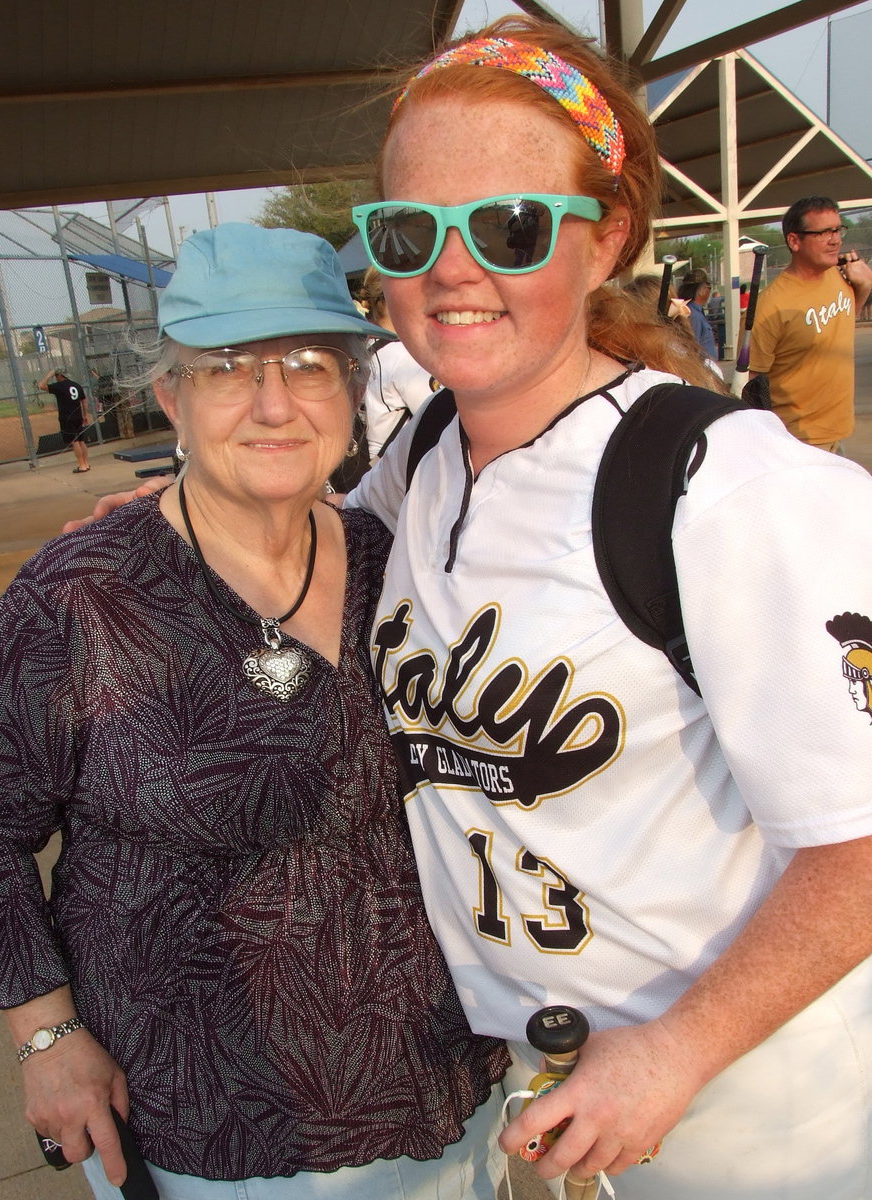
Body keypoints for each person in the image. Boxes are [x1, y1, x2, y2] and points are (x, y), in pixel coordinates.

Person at [344, 17, 872, 1200]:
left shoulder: (727, 488)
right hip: (535, 1087)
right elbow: (303, 542)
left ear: (610, 236)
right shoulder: (424, 453)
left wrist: (679, 1053)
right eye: (408, 229)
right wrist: (155, 536)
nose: (451, 268)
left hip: (751, 1106)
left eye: (511, 226)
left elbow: (860, 843)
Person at [0, 224, 508, 1200]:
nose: (273, 404)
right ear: (169, 397)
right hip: (201, 1115)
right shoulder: (78, 597)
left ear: (353, 391)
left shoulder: (405, 563)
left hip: (436, 1081)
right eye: (227, 368)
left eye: (307, 365)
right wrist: (44, 1035)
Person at [748, 196, 872, 451]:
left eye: (838, 230)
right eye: (824, 232)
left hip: (838, 430)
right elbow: (751, 382)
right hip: (797, 440)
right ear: (794, 241)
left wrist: (865, 286)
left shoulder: (839, 277)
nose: (836, 239)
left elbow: (843, 323)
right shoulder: (770, 306)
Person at [359, 267, 434, 462]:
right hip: (398, 474)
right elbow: (443, 417)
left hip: (370, 467)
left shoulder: (364, 347)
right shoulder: (403, 356)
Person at [37, 367, 91, 471]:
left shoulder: (59, 386)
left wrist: (49, 375)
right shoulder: (76, 385)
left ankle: (82, 465)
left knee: (74, 441)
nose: (56, 378)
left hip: (67, 417)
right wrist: (84, 415)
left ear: (60, 376)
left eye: (57, 376)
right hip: (78, 416)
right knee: (81, 440)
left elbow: (41, 386)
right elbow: (84, 400)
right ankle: (86, 463)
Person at [675, 268, 717, 361]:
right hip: (703, 370)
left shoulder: (691, 311)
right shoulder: (692, 315)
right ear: (701, 290)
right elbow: (693, 350)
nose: (709, 292)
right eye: (708, 288)